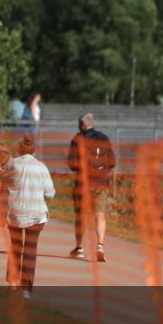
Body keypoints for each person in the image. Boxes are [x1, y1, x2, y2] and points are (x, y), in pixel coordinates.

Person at [0, 135, 55, 299]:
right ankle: (26, 290)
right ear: (34, 151)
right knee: (30, 251)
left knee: (15, 247)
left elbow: (2, 181)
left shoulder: (12, 164)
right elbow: (50, 193)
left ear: (19, 150)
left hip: (15, 213)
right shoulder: (41, 167)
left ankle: (12, 283)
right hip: (36, 215)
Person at [67, 112, 116, 261]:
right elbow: (112, 162)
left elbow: (72, 164)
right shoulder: (104, 138)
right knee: (100, 215)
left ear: (82, 124)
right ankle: (100, 245)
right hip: (101, 183)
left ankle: (79, 248)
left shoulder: (77, 139)